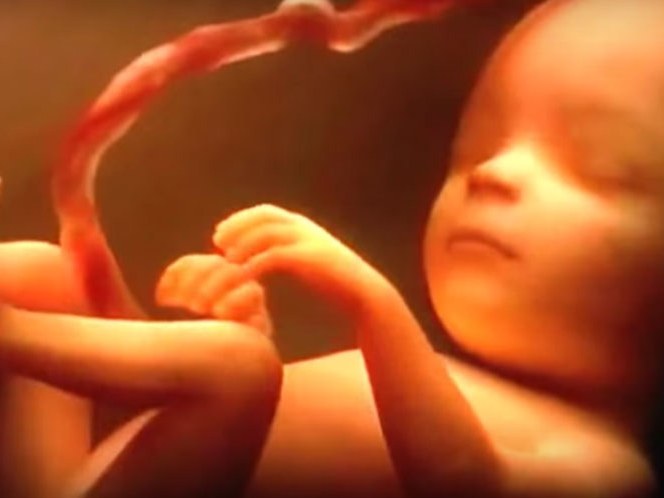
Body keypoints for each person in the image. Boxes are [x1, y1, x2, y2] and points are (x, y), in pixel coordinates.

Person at [1, 0, 663, 496]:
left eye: (602, 167)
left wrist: (372, 303)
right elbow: (246, 434)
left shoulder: (604, 465)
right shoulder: (440, 378)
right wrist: (229, 327)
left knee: (236, 370)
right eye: (475, 148)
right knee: (45, 276)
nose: (494, 173)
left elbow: (462, 481)